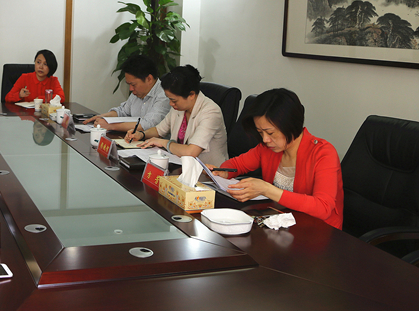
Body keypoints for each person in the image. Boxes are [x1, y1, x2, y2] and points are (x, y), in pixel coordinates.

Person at [211, 88, 343, 229]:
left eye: (270, 133)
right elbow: (237, 164)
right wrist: (223, 172)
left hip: (319, 231)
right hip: (281, 224)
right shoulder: (268, 148)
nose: (265, 139)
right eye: (260, 132)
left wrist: (267, 189)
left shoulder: (323, 153)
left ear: (290, 125)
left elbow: (323, 207)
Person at [125, 65, 227, 165]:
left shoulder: (211, 112)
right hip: (180, 165)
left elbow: (191, 152)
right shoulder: (180, 107)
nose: (171, 104)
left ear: (191, 95)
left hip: (208, 171)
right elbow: (159, 130)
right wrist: (141, 134)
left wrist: (164, 143)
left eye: (173, 100)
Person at [83, 54, 171, 133]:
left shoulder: (164, 95)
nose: (131, 89)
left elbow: (149, 124)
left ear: (149, 79)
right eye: (129, 84)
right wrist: (102, 117)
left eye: (133, 85)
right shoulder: (137, 92)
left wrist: (110, 126)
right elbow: (123, 111)